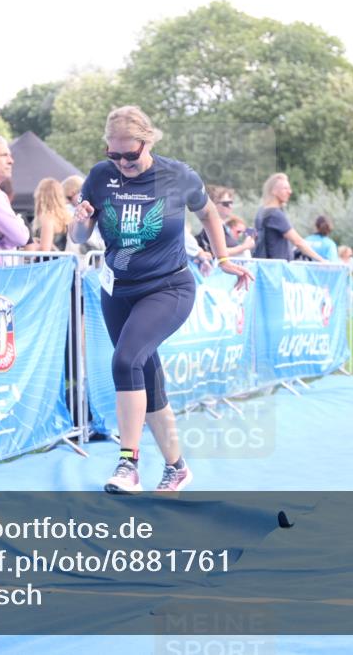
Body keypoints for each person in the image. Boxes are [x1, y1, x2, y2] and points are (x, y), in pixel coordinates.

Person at [70, 105, 253, 494]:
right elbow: (77, 234)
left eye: (130, 154)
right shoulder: (101, 177)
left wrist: (223, 259)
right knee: (146, 379)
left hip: (168, 287)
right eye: (113, 154)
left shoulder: (178, 175)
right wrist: (81, 221)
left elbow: (208, 216)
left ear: (147, 142)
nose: (122, 163)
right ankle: (177, 467)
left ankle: (127, 464)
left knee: (124, 360)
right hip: (117, 289)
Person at [252, 173, 323, 262]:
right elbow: (298, 242)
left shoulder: (261, 211)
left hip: (263, 266)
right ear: (274, 191)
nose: (290, 192)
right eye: (285, 188)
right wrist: (321, 260)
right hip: (276, 269)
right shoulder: (275, 214)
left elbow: (253, 236)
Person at [196, 186, 255, 258]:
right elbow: (216, 252)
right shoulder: (212, 227)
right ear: (213, 205)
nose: (230, 206)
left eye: (231, 203)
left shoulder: (225, 228)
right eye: (226, 203)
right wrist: (244, 247)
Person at [26, 178, 71, 252]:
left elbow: (45, 249)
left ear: (41, 195)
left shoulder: (48, 218)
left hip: (48, 262)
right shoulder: (65, 217)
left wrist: (31, 245)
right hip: (62, 261)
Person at [63, 175, 104, 254]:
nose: (68, 202)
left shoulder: (95, 205)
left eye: (68, 198)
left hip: (92, 248)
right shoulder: (70, 209)